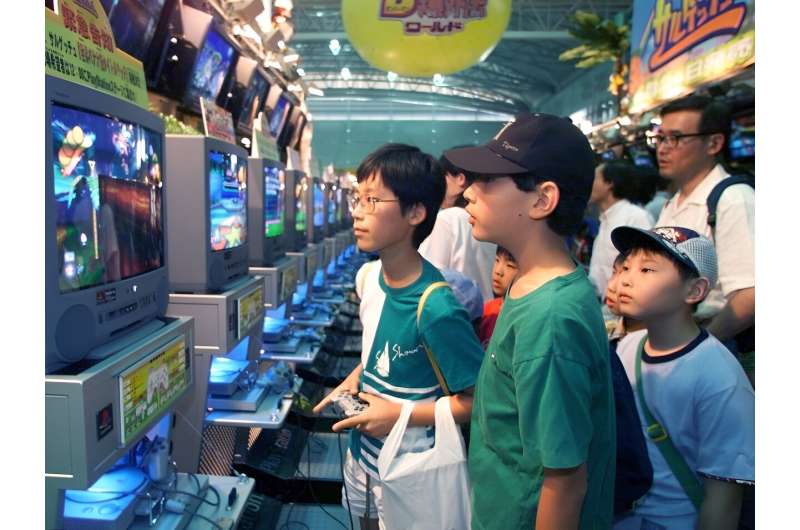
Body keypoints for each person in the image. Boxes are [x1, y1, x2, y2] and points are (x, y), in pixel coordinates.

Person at [445, 114, 615, 530]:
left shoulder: (550, 318)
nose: (468, 192)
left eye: (489, 180)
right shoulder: (530, 287)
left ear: (542, 200)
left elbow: (564, 480)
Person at [312, 144, 485, 530]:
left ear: (415, 212)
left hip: (414, 468)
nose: (357, 211)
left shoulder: (437, 306)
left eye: (373, 200)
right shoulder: (368, 278)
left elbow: (477, 401)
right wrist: (355, 379)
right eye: (358, 198)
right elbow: (380, 349)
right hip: (363, 458)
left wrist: (399, 415)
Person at [610, 225, 755, 530]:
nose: (626, 278)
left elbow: (724, 501)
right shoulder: (626, 348)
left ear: (695, 291)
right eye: (625, 266)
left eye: (647, 269)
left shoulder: (719, 377)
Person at [652, 95, 755, 379]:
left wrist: (697, 346)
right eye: (660, 138)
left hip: (718, 353)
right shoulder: (672, 204)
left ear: (714, 143)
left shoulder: (732, 199)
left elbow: (751, 294)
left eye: (675, 138)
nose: (663, 148)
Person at [418, 152, 497, 300]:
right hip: (488, 314)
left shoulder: (447, 220)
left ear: (460, 178)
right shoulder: (492, 221)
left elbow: (428, 278)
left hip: (455, 310)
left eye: (442, 179)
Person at [588, 160, 654, 299]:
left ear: (609, 183)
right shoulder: (605, 219)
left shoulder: (636, 217)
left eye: (595, 178)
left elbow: (648, 267)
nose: (589, 183)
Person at [477, 246, 518, 348]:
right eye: (497, 260)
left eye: (510, 265)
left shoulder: (522, 317)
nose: (498, 271)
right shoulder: (486, 310)